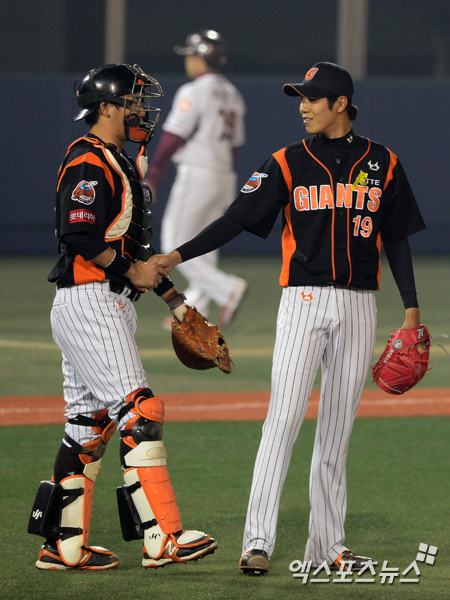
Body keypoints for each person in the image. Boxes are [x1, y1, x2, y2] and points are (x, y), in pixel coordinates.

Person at [152, 62, 427, 575]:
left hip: (361, 304)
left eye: (312, 98)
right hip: (303, 301)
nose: (302, 106)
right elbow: (236, 219)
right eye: (300, 97)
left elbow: (396, 237)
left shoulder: (383, 162)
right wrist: (178, 255)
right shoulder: (287, 161)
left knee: (336, 432)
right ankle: (257, 541)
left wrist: (411, 307)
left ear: (340, 104)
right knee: (282, 421)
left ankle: (329, 547)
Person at [28, 63, 218, 571]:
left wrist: (176, 301)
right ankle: (163, 537)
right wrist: (132, 269)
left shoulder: (116, 159)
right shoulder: (90, 160)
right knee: (140, 411)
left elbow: (128, 251)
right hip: (91, 302)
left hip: (96, 301)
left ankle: (63, 546)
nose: (140, 111)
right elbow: (79, 235)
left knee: (87, 428)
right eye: (132, 102)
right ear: (107, 107)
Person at [145, 30, 248, 329]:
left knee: (174, 242)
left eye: (190, 55)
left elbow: (172, 138)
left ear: (201, 57)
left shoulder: (194, 91)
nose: (188, 61)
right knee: (204, 245)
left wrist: (154, 177)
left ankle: (227, 289)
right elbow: (235, 147)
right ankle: (195, 310)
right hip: (223, 174)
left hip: (199, 171)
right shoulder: (233, 93)